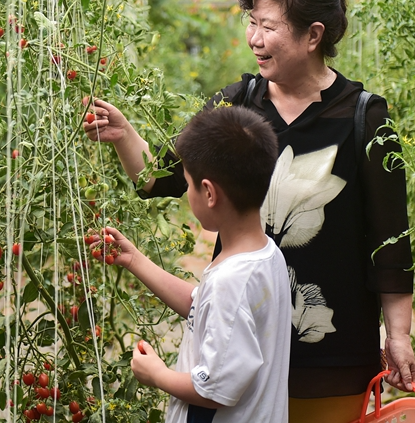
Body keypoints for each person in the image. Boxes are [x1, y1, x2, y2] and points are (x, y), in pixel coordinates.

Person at [84, 0, 415, 423]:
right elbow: (161, 177)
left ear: (313, 35)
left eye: (268, 27)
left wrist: (398, 334)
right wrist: (123, 136)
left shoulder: (364, 119)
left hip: (331, 355)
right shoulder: (238, 101)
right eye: (252, 23)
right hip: (241, 341)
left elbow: (390, 238)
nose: (254, 39)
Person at [90, 106, 291, 422]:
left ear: (209, 193)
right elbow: (204, 306)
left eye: (187, 184)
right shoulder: (266, 256)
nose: (187, 195)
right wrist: (134, 260)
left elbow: (214, 389)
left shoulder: (232, 281)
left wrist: (157, 374)